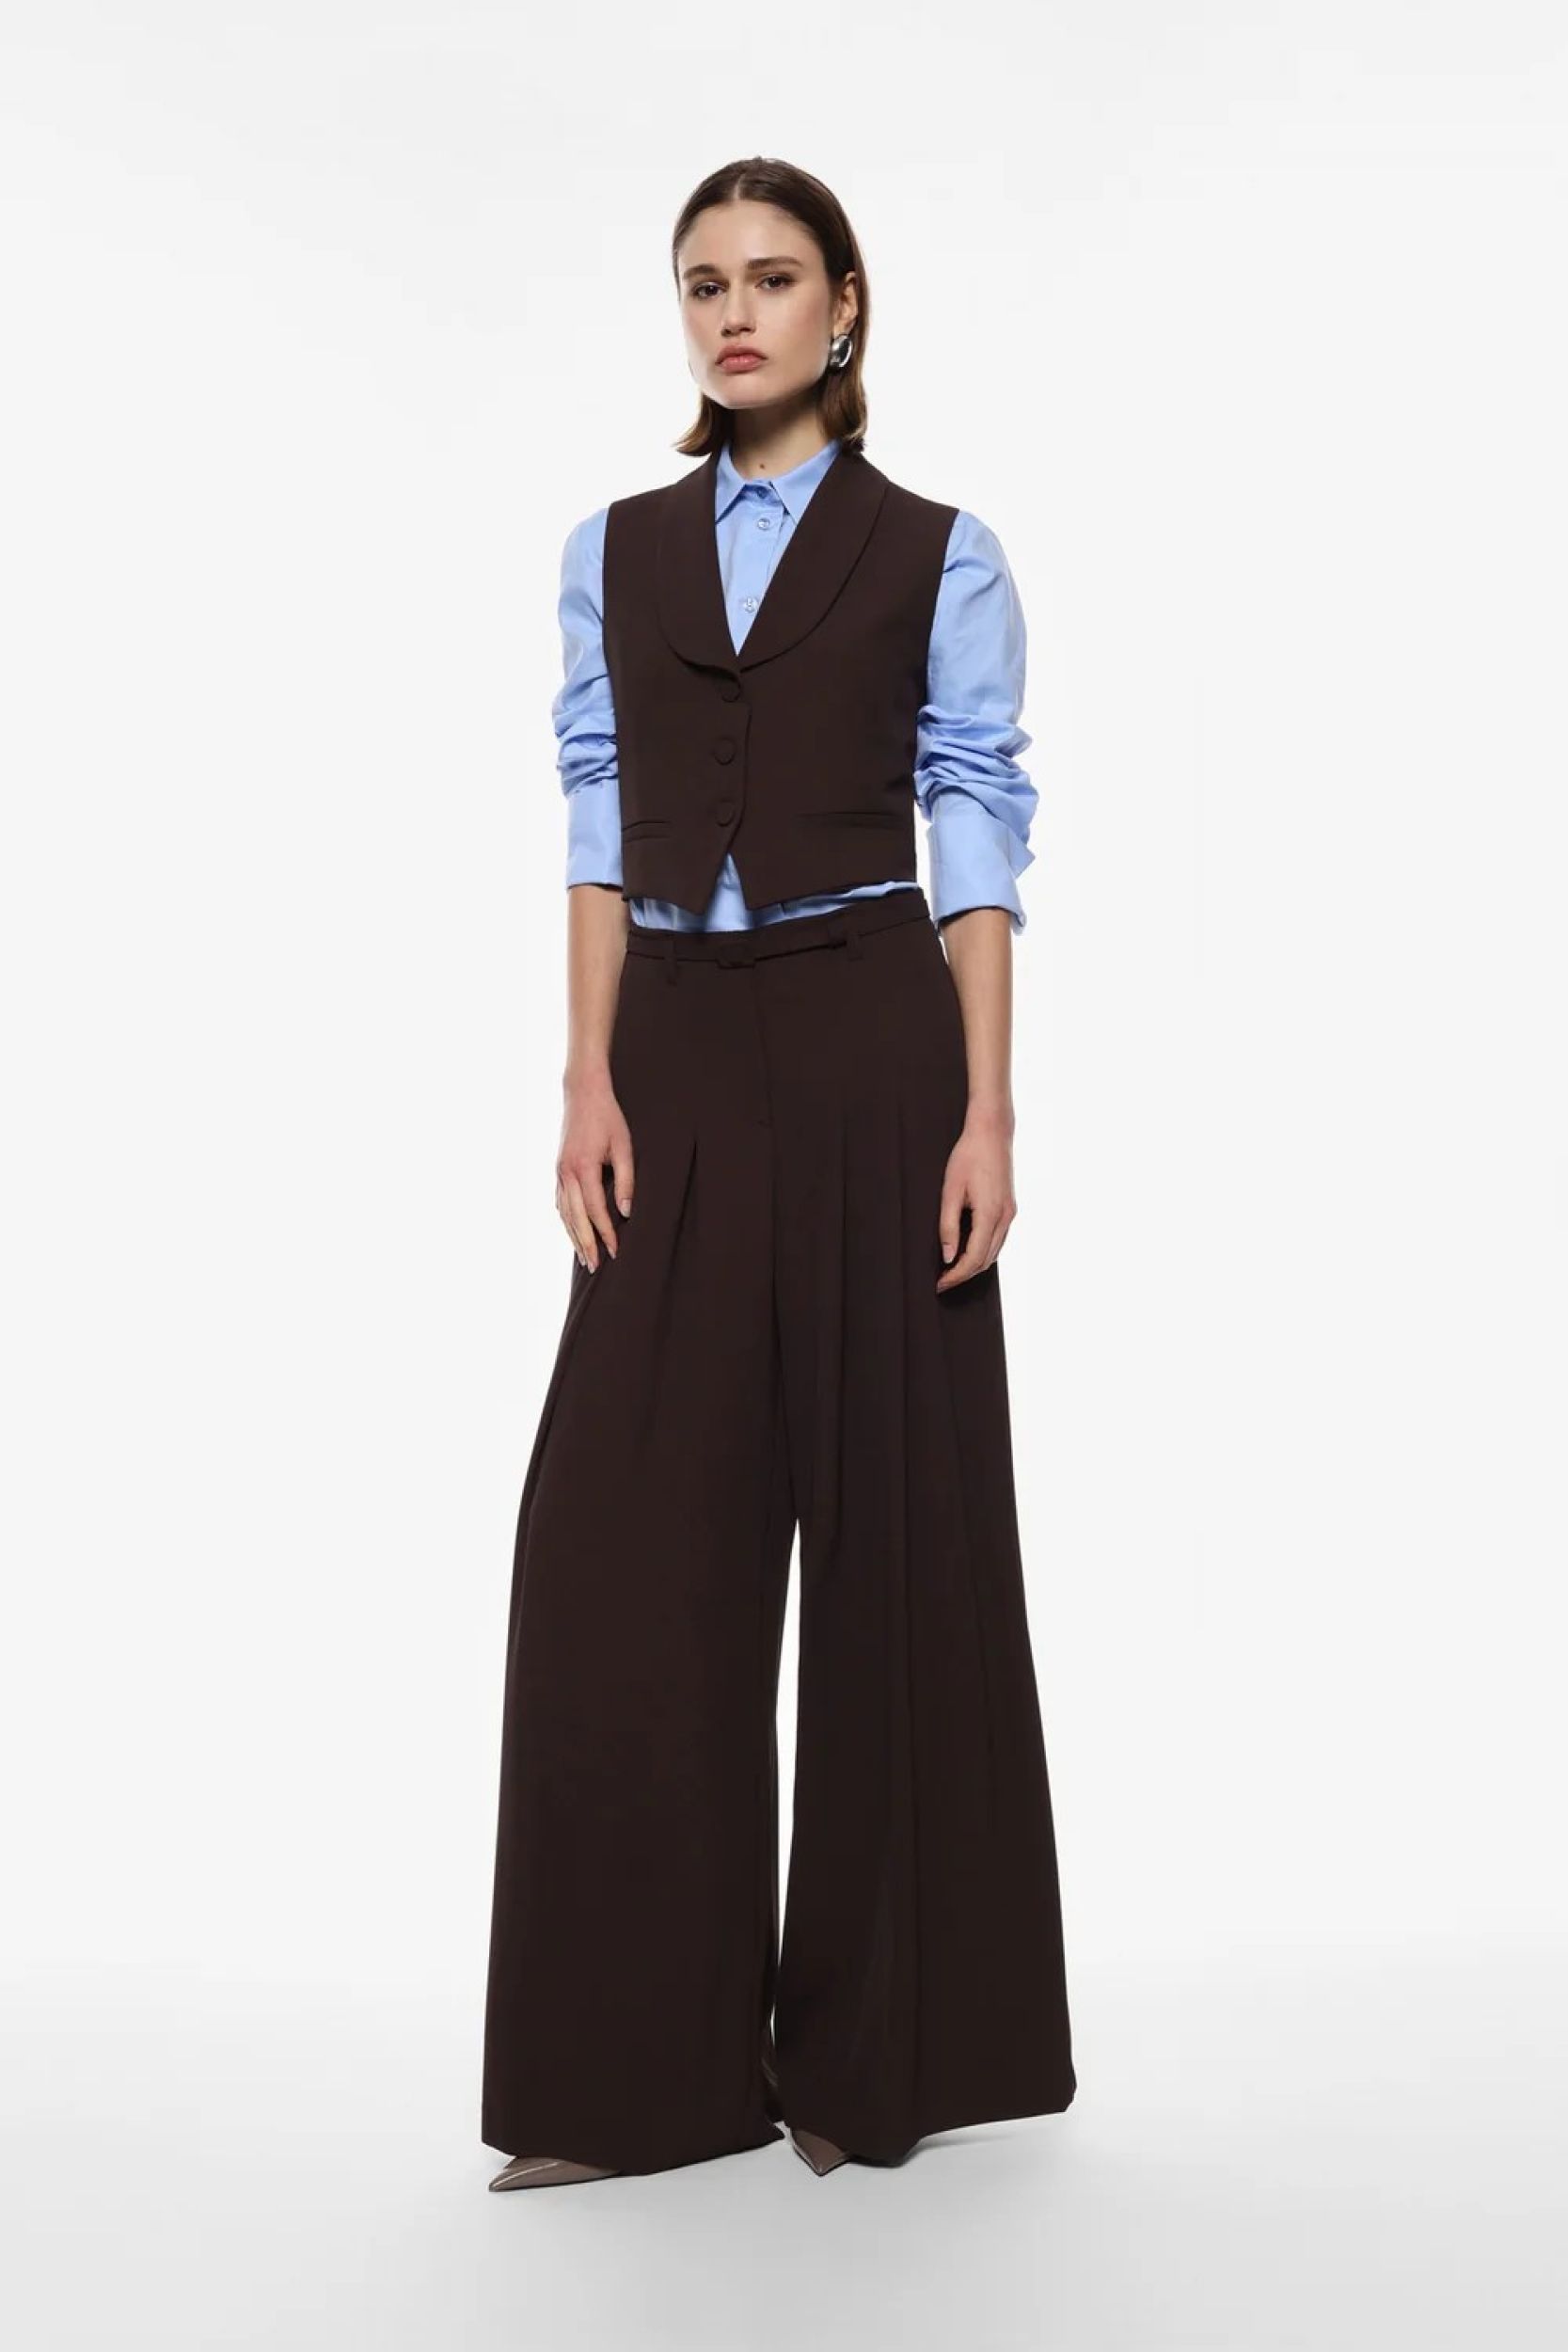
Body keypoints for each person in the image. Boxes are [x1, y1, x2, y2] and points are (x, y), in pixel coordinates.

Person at [482, 156, 1076, 2188]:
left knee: (898, 1533)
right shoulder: (616, 551)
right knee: (620, 1547)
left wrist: (987, 1112)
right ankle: (628, 2077)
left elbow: (976, 826)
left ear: (846, 306)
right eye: (701, 284)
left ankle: (872, 2056)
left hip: (869, 1034)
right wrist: (587, 1070)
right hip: (667, 1035)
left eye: (771, 279)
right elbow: (594, 812)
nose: (733, 315)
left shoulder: (941, 554)